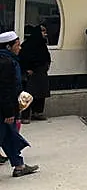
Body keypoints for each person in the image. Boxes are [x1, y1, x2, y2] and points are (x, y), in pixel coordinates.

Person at [0, 31, 39, 177]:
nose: (20, 48)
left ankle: (19, 165)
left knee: (9, 136)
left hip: (5, 107)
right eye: (17, 45)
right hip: (4, 109)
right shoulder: (7, 63)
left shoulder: (8, 60)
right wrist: (9, 112)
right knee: (6, 135)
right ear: (8, 46)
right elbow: (5, 90)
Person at [19, 25, 51, 123]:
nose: (45, 34)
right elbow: (22, 58)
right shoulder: (27, 45)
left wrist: (47, 65)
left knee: (41, 93)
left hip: (41, 72)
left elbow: (46, 56)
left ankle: (37, 112)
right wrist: (27, 69)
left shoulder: (42, 45)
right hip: (31, 74)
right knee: (28, 94)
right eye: (43, 31)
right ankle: (25, 115)